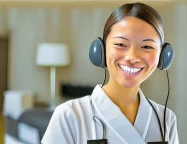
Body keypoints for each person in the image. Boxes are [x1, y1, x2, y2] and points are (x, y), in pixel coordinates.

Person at [41, 2, 179, 144]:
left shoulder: (165, 119)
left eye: (146, 46)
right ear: (101, 49)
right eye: (120, 44)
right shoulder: (70, 115)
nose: (132, 57)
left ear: (163, 55)